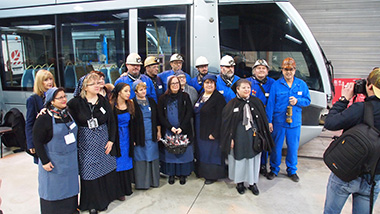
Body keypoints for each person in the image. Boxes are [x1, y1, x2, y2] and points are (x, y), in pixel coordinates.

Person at [323, 67, 380, 214]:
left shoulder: (361, 108)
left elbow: (331, 123)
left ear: (369, 86)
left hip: (346, 172)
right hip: (373, 177)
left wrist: (343, 99)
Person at [67, 73, 123, 214]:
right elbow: (62, 115)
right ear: (85, 87)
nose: (98, 86)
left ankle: (107, 197)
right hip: (86, 143)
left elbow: (111, 121)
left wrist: (111, 140)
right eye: (94, 84)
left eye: (99, 83)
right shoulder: (75, 103)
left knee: (107, 168)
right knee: (89, 173)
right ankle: (92, 203)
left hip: (104, 141)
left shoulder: (103, 100)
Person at [220, 79, 273, 195]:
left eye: (248, 87)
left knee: (253, 160)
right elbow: (226, 124)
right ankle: (239, 183)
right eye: (243, 87)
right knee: (238, 159)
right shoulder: (231, 104)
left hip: (253, 137)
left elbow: (263, 120)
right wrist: (230, 138)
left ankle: (252, 183)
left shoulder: (257, 102)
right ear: (237, 89)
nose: (246, 90)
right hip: (238, 138)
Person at [33, 87, 79, 214]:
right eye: (60, 98)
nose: (64, 100)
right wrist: (44, 161)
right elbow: (37, 142)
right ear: (51, 101)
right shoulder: (44, 118)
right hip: (54, 163)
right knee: (54, 191)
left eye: (65, 96)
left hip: (70, 161)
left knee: (70, 189)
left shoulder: (68, 113)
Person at [266, 57, 311, 182]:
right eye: (286, 69)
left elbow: (308, 101)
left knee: (293, 147)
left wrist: (298, 101)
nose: (288, 72)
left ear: (295, 70)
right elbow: (270, 104)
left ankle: (292, 170)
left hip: (294, 122)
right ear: (282, 70)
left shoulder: (301, 85)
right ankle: (274, 169)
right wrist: (269, 121)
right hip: (279, 122)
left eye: (291, 69)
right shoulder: (276, 85)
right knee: (276, 147)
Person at [157, 76, 194, 185]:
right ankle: (171, 174)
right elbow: (161, 116)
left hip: (183, 130)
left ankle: (183, 175)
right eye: (172, 83)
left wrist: (181, 127)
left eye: (177, 83)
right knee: (170, 153)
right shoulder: (163, 98)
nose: (175, 85)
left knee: (183, 153)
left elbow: (189, 113)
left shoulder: (185, 96)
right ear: (168, 85)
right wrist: (170, 127)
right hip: (169, 130)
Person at [193, 74, 226, 184]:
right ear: (203, 84)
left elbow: (221, 117)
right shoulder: (201, 95)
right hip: (200, 130)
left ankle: (212, 176)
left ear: (215, 85)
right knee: (202, 153)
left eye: (211, 83)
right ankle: (202, 172)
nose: (209, 85)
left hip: (211, 132)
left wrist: (215, 133)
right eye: (207, 82)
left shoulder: (218, 98)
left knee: (212, 154)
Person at [246, 59, 275, 176]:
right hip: (251, 117)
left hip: (264, 118)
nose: (261, 70)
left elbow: (273, 103)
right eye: (258, 68)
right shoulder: (248, 82)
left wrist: (269, 121)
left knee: (264, 142)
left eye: (263, 68)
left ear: (267, 71)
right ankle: (251, 166)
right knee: (250, 142)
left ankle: (263, 165)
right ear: (254, 71)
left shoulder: (273, 83)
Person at [131, 80, 161, 189]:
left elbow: (157, 118)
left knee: (153, 157)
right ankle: (142, 183)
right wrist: (132, 138)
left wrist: (158, 131)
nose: (143, 91)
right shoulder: (131, 103)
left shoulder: (152, 101)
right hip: (139, 136)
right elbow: (131, 123)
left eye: (145, 89)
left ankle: (154, 181)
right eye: (141, 89)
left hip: (151, 135)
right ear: (135, 91)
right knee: (141, 158)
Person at [109, 83, 135, 197]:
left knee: (127, 161)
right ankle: (118, 191)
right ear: (119, 92)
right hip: (116, 137)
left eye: (129, 91)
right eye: (126, 91)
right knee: (118, 162)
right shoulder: (111, 106)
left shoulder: (130, 104)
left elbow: (134, 123)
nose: (128, 94)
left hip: (127, 137)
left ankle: (127, 187)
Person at [26, 69, 56, 163]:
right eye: (46, 80)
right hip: (42, 138)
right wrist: (31, 144)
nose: (50, 82)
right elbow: (29, 123)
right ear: (40, 82)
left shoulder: (57, 96)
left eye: (50, 79)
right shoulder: (33, 100)